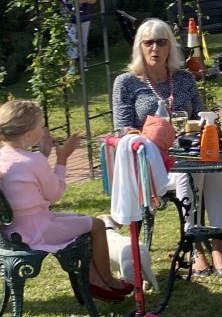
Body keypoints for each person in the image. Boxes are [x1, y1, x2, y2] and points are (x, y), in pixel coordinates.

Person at [112, 18, 222, 277]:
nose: (155, 48)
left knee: (213, 167)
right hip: (151, 163)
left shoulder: (184, 78)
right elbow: (121, 129)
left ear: (170, 47)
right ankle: (195, 244)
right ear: (140, 48)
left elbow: (200, 117)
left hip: (188, 153)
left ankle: (218, 240)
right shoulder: (126, 83)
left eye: (161, 42)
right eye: (149, 43)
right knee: (194, 172)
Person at [0, 99, 132, 302]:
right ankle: (107, 280)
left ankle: (94, 280)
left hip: (13, 231)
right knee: (96, 225)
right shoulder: (33, 160)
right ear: (28, 133)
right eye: (40, 125)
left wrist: (44, 155)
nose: (44, 129)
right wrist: (62, 158)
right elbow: (54, 194)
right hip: (37, 231)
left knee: (80, 219)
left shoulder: (5, 157)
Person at [60, 0, 98, 68]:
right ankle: (72, 67)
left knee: (83, 42)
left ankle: (83, 64)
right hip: (68, 18)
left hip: (83, 17)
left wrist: (84, 0)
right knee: (71, 42)